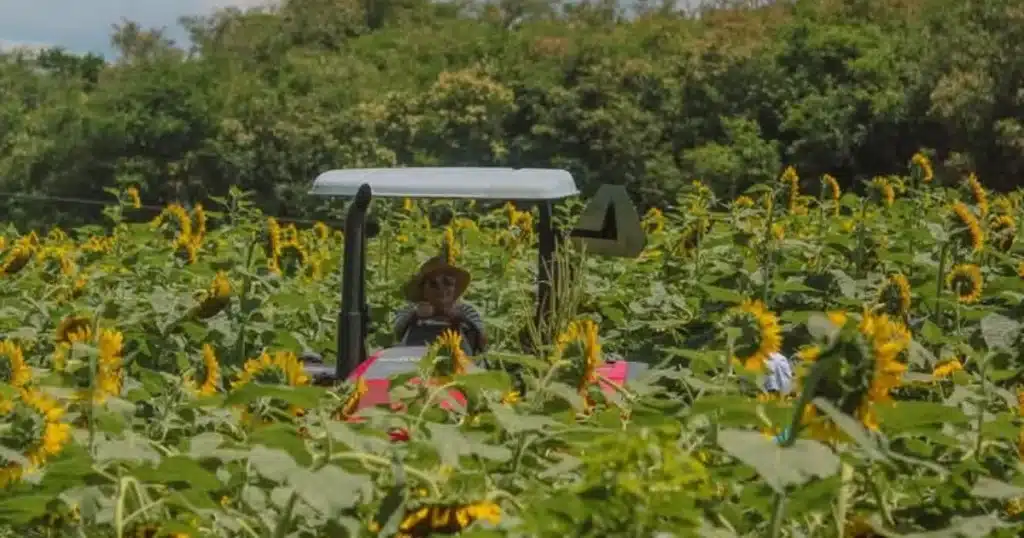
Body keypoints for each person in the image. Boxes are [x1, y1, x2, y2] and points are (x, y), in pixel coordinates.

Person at [393, 256, 487, 355]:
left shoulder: (465, 310)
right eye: (433, 284)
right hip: (415, 360)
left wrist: (459, 317)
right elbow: (397, 332)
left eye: (447, 282)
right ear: (423, 289)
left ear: (454, 288)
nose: (441, 289)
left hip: (458, 362)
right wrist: (414, 315)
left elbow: (482, 342)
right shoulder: (412, 309)